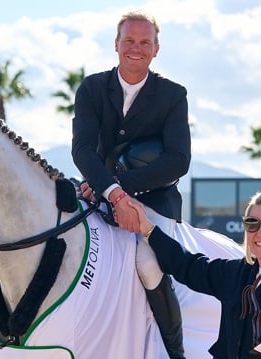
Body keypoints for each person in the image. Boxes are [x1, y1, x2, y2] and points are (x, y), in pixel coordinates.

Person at [71, 10, 190, 358]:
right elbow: (81, 149)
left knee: (148, 264)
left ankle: (175, 350)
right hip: (97, 194)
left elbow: (178, 161)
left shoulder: (173, 95)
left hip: (155, 201)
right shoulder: (92, 88)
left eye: (144, 42)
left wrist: (116, 186)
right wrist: (109, 190)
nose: (135, 48)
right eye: (129, 41)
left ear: (156, 49)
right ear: (116, 44)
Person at [127, 189, 261, 358]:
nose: (260, 232)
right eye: (252, 223)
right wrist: (148, 230)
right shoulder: (235, 273)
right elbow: (188, 266)